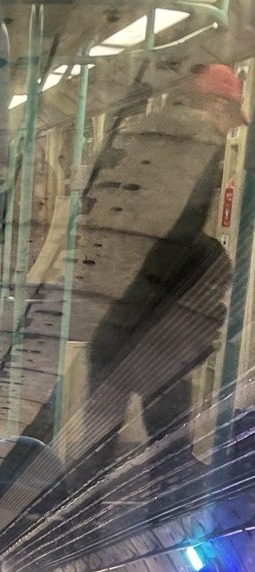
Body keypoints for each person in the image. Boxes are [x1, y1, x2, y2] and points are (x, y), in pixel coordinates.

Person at [70, 63, 247, 488]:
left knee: (100, 421)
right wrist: (212, 265)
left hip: (110, 306)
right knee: (169, 427)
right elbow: (170, 234)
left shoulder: (131, 131)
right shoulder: (200, 143)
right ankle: (164, 514)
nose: (230, 131)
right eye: (230, 118)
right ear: (215, 105)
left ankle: (80, 521)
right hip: (157, 316)